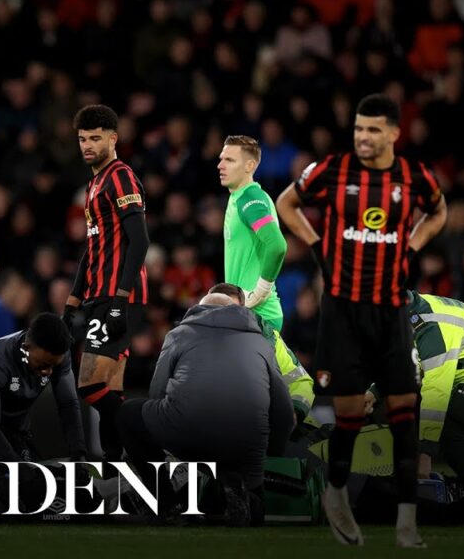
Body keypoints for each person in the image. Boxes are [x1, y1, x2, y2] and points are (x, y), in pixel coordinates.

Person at [276, 93, 447, 548]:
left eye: (372, 130)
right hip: (343, 312)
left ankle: (407, 523)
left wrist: (412, 247)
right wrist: (318, 246)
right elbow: (286, 203)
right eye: (358, 129)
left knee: (404, 412)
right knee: (350, 414)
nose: (363, 137)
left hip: (391, 309)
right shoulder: (333, 169)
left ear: (393, 133)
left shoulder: (414, 176)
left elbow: (439, 211)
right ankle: (336, 493)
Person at [116, 293, 294, 524]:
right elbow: (284, 412)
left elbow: (156, 392)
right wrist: (268, 455)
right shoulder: (261, 343)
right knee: (252, 501)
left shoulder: (179, 334)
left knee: (127, 414)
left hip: (188, 433)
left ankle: (168, 504)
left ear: (199, 311)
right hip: (246, 445)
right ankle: (245, 488)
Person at [366, 291, 464, 491]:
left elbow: (436, 393)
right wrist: (374, 393)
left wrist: (425, 456)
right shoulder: (410, 312)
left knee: (448, 431)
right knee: (424, 418)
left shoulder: (431, 330)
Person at [63, 104, 149, 464]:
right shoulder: (94, 183)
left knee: (89, 385)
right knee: (111, 388)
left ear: (113, 139)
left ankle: (147, 441)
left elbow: (140, 240)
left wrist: (120, 299)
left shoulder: (120, 177)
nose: (87, 145)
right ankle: (116, 469)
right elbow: (92, 247)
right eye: (83, 139)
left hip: (117, 296)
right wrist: (72, 300)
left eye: (95, 138)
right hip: (99, 295)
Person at [0, 313, 85, 466]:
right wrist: (19, 469)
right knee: (21, 478)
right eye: (43, 365)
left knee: (45, 477)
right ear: (26, 348)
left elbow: (68, 404)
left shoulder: (58, 354)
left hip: (16, 435)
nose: (48, 372)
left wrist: (79, 453)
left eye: (54, 365)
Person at [207, 282, 315, 425]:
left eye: (234, 311)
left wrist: (294, 413)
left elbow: (300, 382)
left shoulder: (270, 340)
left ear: (244, 312)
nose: (227, 318)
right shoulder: (188, 341)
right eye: (220, 311)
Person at [219, 135, 287, 330]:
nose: (220, 165)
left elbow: (277, 246)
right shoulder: (238, 197)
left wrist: (259, 293)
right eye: (221, 159)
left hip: (259, 315)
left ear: (249, 166)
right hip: (245, 313)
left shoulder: (250, 198)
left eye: (229, 160)